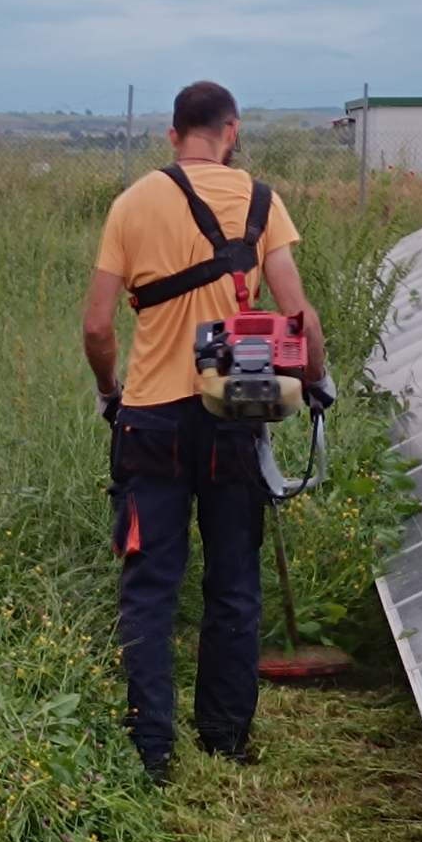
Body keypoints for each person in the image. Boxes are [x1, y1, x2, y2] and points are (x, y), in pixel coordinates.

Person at [82, 80, 332, 785]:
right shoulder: (261, 202)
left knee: (150, 588)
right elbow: (299, 318)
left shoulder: (132, 204)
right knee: (233, 581)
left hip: (151, 420)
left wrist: (111, 393)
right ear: (233, 131)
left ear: (171, 135)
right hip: (234, 419)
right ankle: (224, 736)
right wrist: (313, 383)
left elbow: (99, 325)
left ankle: (151, 751)